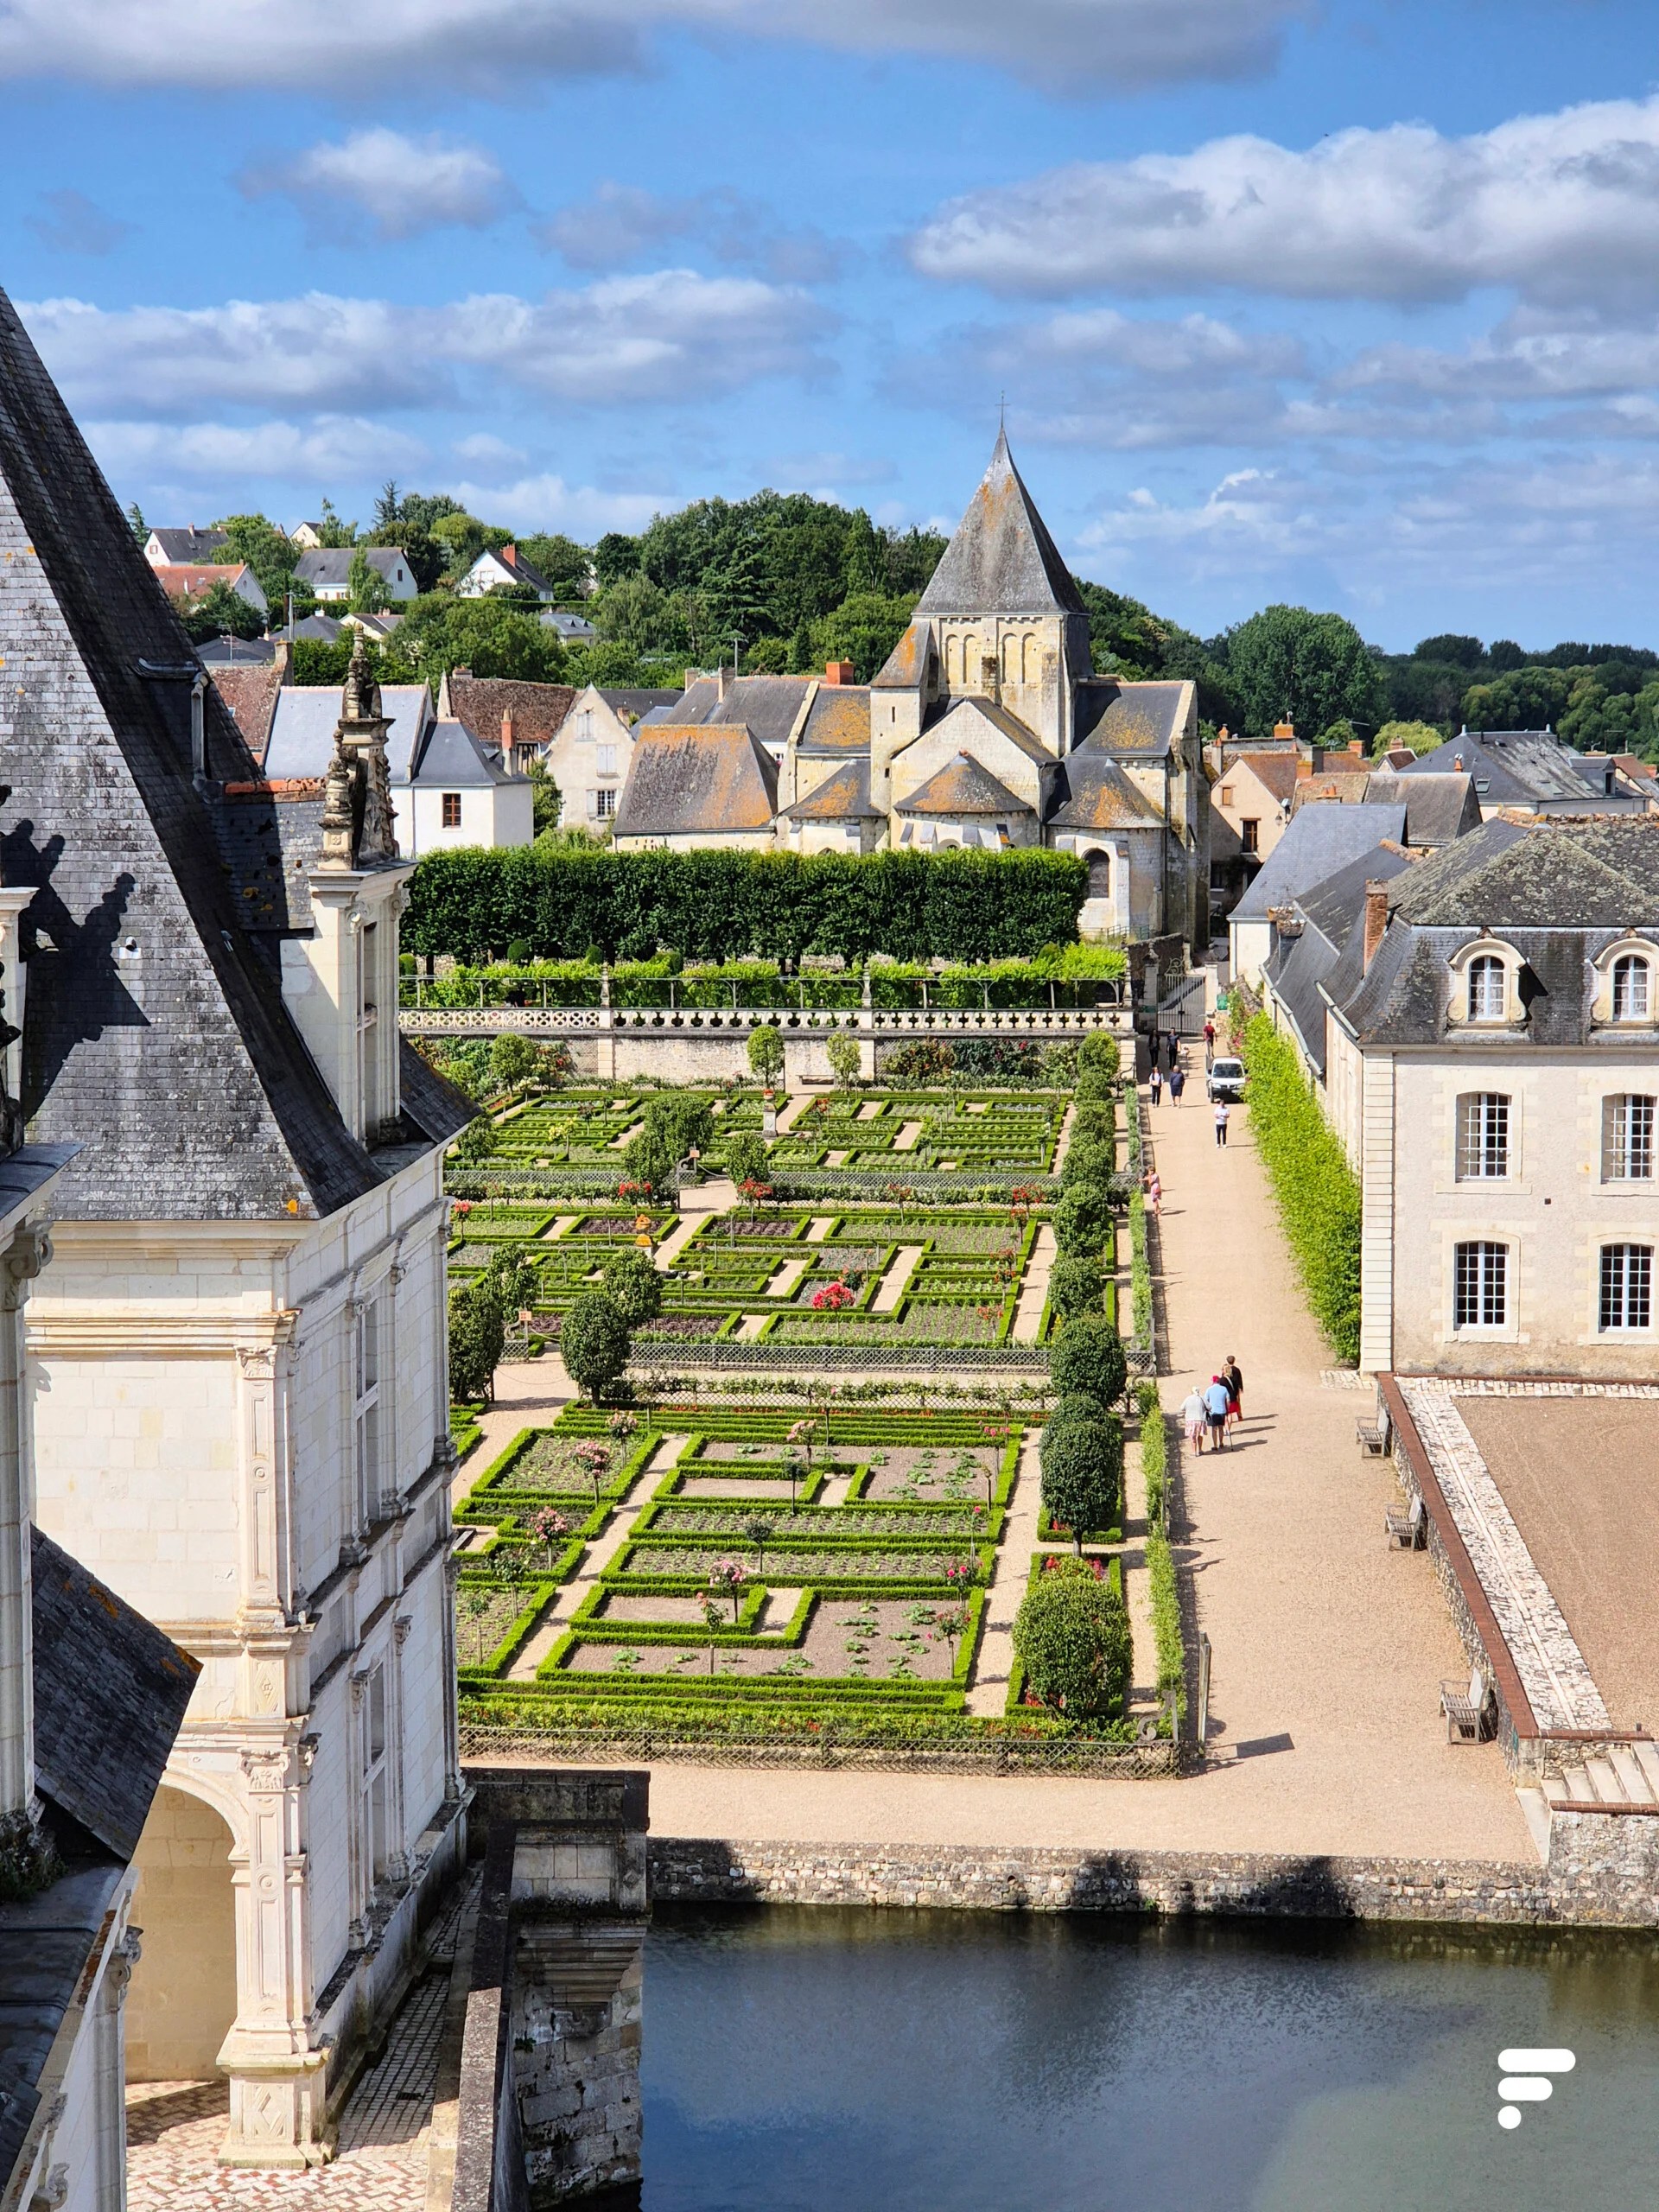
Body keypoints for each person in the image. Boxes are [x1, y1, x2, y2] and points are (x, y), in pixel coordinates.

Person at [1203, 1373, 1231, 1449]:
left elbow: (1205, 1400)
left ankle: (1215, 1445)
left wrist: (1206, 1409)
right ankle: (1221, 1442)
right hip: (1222, 1411)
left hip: (1213, 1412)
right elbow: (1228, 1400)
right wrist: (1228, 1409)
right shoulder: (1224, 1389)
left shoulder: (1209, 1389)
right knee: (1221, 1428)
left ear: (1213, 1381)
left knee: (1214, 1429)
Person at [1181, 1384, 1208, 1455]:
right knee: (1200, 1435)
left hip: (1190, 1419)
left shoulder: (1188, 1398)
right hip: (1200, 1419)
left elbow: (1182, 1408)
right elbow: (1209, 1407)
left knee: (1192, 1436)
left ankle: (1194, 1451)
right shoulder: (1202, 1398)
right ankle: (1200, 1450)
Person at [1224, 1354, 1243, 1434]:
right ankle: (1239, 1415)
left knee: (1229, 1402)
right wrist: (1241, 1388)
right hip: (1236, 1388)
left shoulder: (1226, 1369)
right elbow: (1240, 1379)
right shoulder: (1237, 1369)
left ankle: (1229, 1416)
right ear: (1234, 1361)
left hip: (1228, 1389)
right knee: (1238, 1401)